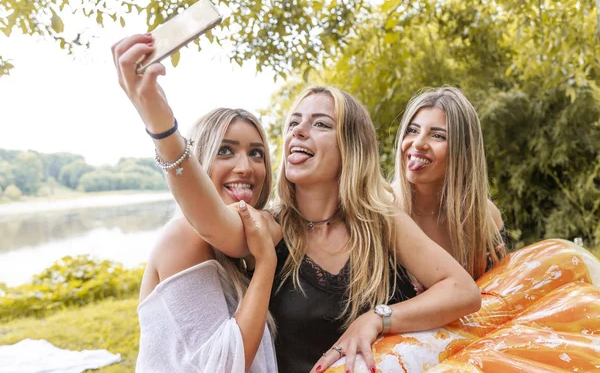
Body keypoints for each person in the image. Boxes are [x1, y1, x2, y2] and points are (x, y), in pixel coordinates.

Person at [112, 33, 481, 373]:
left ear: (350, 147)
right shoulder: (269, 227)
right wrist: (160, 124)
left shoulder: (382, 221)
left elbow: (463, 291)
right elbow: (206, 219)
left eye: (320, 124)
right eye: (293, 123)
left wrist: (376, 319)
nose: (298, 132)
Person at [132, 107, 279, 372]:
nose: (245, 167)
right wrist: (267, 261)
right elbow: (226, 366)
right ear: (198, 164)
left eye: (256, 153)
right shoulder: (183, 237)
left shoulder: (238, 245)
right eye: (225, 150)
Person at [393, 86, 509, 285]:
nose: (418, 143)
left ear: (463, 151)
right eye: (412, 130)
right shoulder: (381, 212)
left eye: (438, 136)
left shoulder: (484, 216)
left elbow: (505, 292)